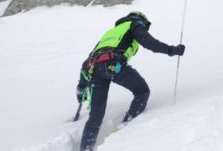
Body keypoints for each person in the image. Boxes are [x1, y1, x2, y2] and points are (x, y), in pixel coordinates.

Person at [75, 11, 185, 151]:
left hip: (95, 70)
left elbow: (88, 63)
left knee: (96, 115)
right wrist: (171, 50)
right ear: (141, 20)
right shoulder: (134, 24)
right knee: (142, 91)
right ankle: (126, 127)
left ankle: (86, 148)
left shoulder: (109, 33)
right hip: (114, 65)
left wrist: (81, 87)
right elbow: (149, 42)